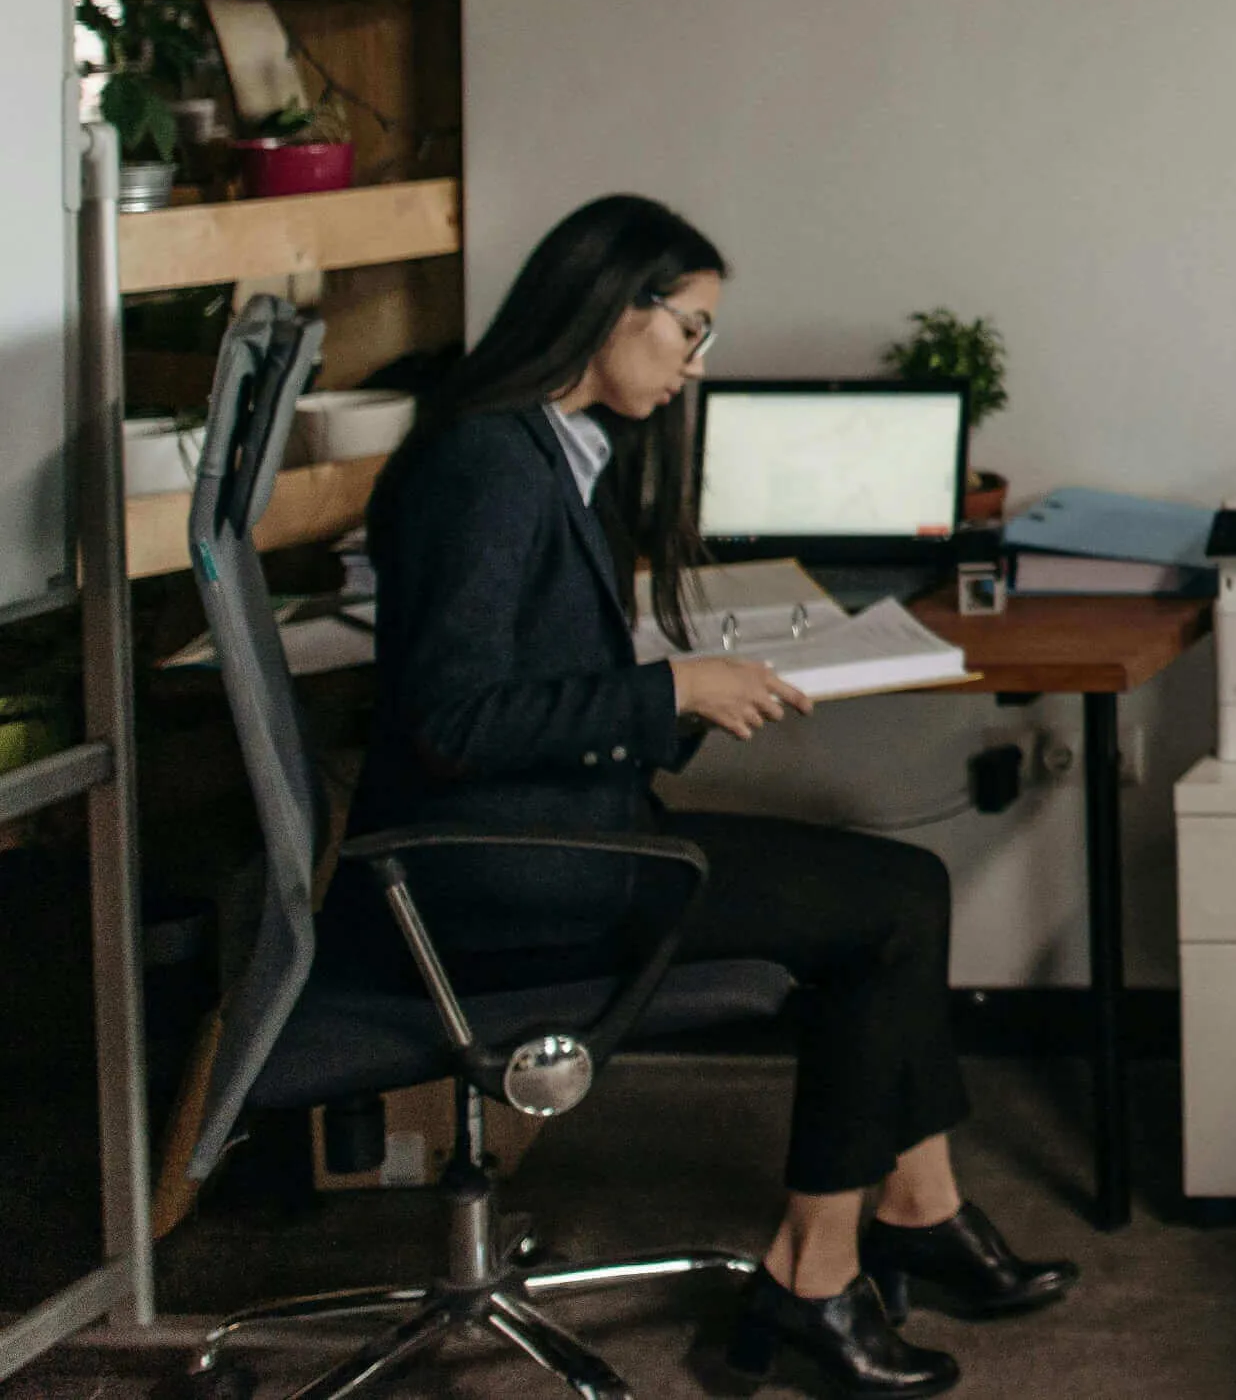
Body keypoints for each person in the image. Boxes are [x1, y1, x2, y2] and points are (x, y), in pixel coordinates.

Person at [345, 195, 1075, 1398]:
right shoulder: (487, 463)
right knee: (890, 902)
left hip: (556, 837)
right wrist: (670, 686)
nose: (694, 363)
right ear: (607, 306)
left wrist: (674, 693)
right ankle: (817, 1274)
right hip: (495, 875)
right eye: (689, 328)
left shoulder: (546, 447)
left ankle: (919, 1209)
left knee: (892, 890)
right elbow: (454, 721)